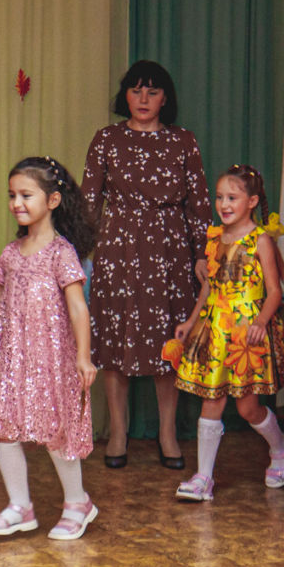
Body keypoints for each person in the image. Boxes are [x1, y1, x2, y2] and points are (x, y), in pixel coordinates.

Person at [0, 157, 99, 540]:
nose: (16, 203)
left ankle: (78, 503)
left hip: (51, 360)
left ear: (52, 200)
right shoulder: (11, 253)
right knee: (3, 427)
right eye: (12, 195)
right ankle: (20, 507)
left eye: (26, 195)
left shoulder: (61, 253)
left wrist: (83, 356)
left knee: (55, 429)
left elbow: (77, 307)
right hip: (13, 359)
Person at [81, 60, 209, 471]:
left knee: (168, 341)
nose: (143, 98)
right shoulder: (106, 139)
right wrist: (77, 254)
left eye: (152, 91)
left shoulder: (183, 141)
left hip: (170, 253)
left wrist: (202, 255)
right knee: (114, 339)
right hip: (116, 250)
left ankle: (167, 433)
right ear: (126, 95)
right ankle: (118, 432)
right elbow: (88, 203)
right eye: (136, 90)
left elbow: (199, 204)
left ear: (165, 98)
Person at [161, 165, 284, 502]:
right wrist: (191, 322)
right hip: (216, 331)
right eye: (219, 197)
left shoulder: (260, 240)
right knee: (212, 399)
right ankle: (203, 478)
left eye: (232, 197)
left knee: (248, 409)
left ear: (252, 201)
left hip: (246, 334)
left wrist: (260, 322)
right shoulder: (215, 239)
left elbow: (274, 291)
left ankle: (281, 449)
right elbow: (209, 288)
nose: (224, 204)